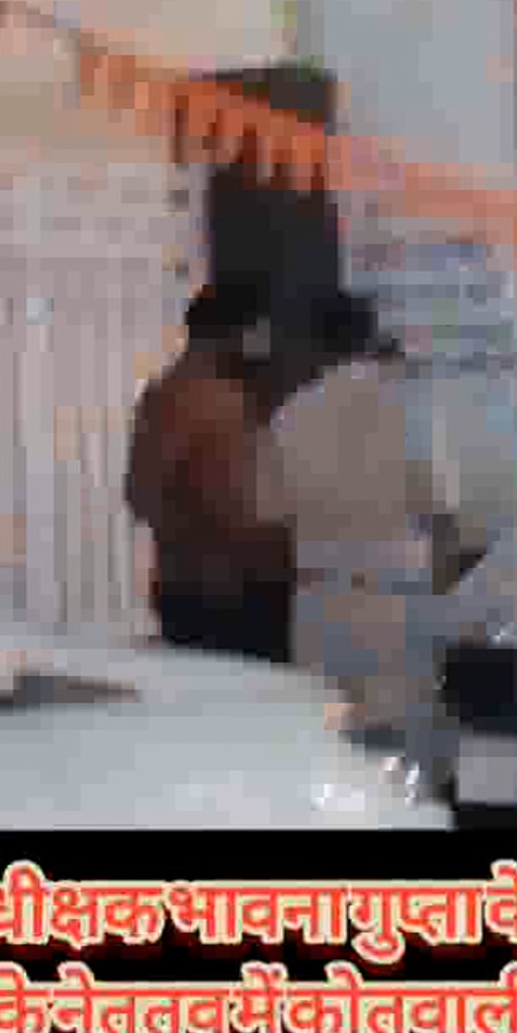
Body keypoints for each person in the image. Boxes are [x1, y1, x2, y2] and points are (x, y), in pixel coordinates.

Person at [254, 290, 479, 801]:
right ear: (372, 338)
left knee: (329, 755)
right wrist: (445, 606)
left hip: (318, 604)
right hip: (398, 603)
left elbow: (269, 517)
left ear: (315, 346)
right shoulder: (414, 409)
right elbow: (445, 519)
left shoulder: (289, 415)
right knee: (407, 762)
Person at [125, 279, 292, 662]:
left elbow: (138, 495)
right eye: (259, 332)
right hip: (233, 594)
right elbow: (243, 511)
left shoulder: (160, 396)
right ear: (235, 333)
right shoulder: (221, 403)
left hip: (180, 587)